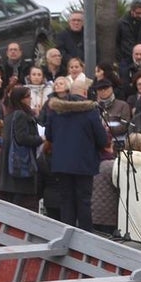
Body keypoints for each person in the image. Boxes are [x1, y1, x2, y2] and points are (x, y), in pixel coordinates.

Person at [45, 78, 109, 230]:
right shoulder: (90, 111)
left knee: (66, 200)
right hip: (84, 163)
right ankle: (85, 235)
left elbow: (49, 135)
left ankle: (68, 234)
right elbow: (102, 139)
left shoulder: (56, 110)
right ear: (85, 93)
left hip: (61, 163)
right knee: (84, 200)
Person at [0, 87, 45, 211]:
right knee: (19, 205)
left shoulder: (10, 114)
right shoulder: (20, 115)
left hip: (11, 165)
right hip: (20, 166)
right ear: (21, 99)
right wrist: (41, 139)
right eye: (28, 96)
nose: (30, 99)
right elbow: (21, 138)